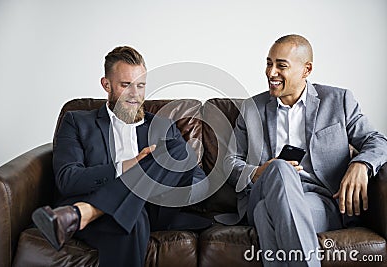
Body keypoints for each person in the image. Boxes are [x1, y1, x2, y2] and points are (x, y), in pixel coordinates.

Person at [32, 46, 212, 267]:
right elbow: (68, 179)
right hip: (126, 216)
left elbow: (199, 179)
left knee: (176, 151)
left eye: (141, 85)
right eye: (126, 85)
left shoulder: (162, 126)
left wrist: (163, 183)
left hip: (156, 205)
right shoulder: (77, 122)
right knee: (130, 219)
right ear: (106, 85)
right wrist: (127, 166)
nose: (135, 94)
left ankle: (86, 212)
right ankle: (101, 208)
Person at [223, 34, 387, 266]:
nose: (271, 73)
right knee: (279, 168)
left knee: (264, 215)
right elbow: (230, 163)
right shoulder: (251, 109)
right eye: (269, 63)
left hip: (319, 200)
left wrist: (361, 164)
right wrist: (258, 172)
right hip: (264, 191)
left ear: (306, 70)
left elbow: (377, 140)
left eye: (281, 66)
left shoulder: (338, 100)